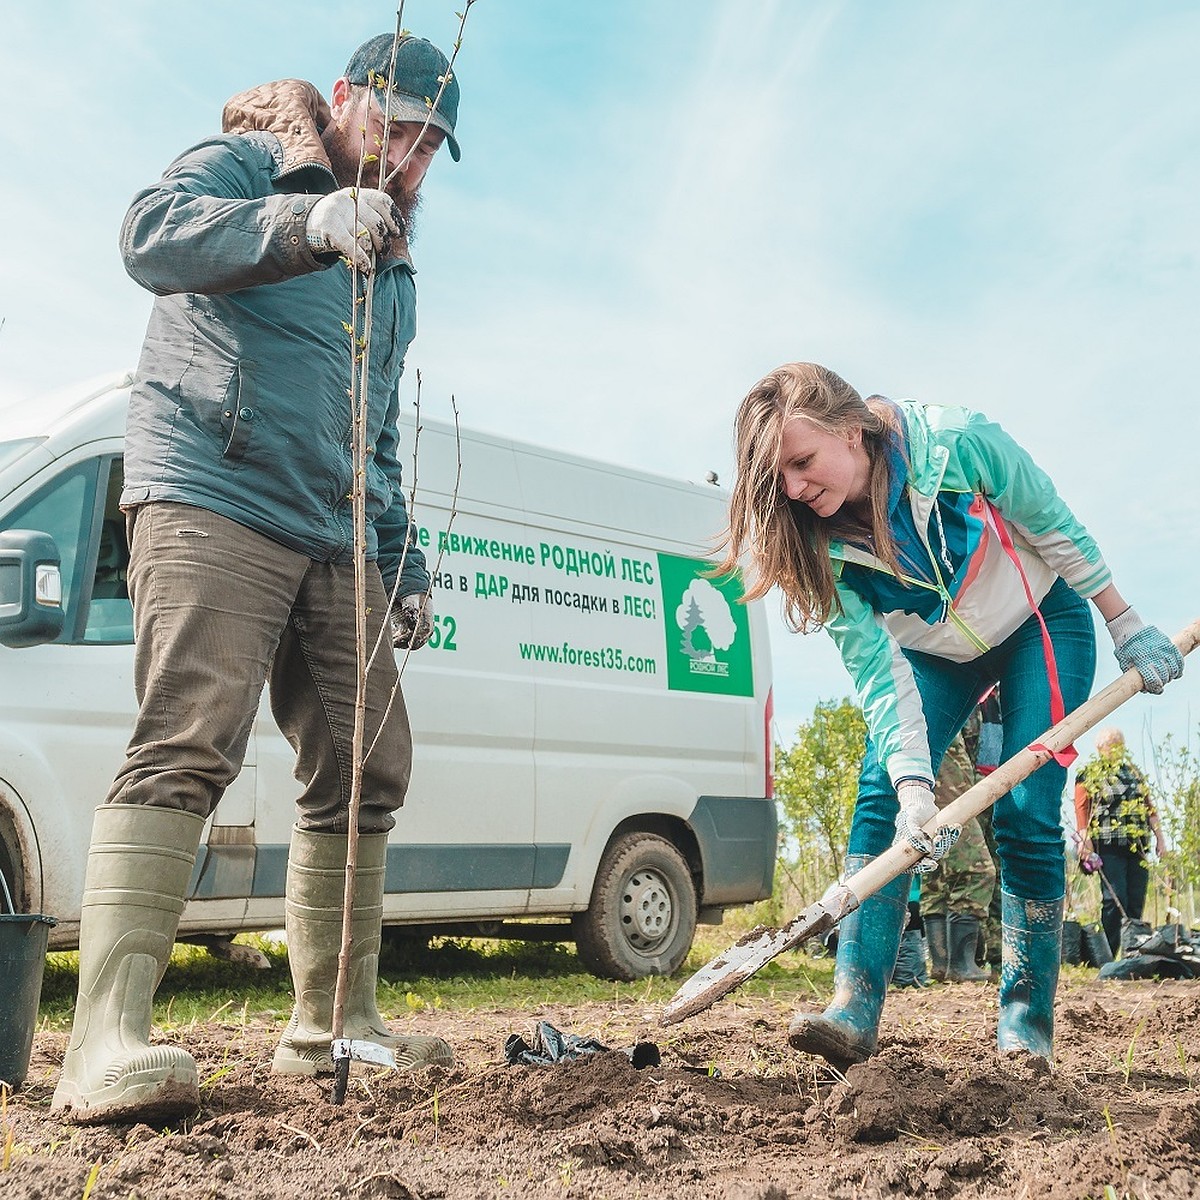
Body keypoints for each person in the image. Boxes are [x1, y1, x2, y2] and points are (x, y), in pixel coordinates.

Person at [51, 33, 463, 1124]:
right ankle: (104, 1039)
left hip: (336, 528)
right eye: (400, 130)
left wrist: (402, 554)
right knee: (192, 735)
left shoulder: (397, 272)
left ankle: (336, 1025)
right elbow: (150, 237)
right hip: (212, 491)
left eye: (431, 149)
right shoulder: (244, 165)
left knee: (370, 759)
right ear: (344, 101)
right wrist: (305, 223)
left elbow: (372, 430)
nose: (411, 164)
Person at [717, 362, 1183, 1069]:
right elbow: (879, 676)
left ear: (853, 431)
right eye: (778, 477)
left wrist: (1124, 621)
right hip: (934, 655)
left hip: (1039, 619)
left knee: (1026, 811)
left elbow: (1050, 523)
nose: (793, 489)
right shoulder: (813, 544)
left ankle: (1025, 1026)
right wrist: (913, 789)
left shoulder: (958, 445)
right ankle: (853, 1005)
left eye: (803, 463)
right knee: (879, 797)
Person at [1074, 728, 1166, 956]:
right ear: (1100, 749)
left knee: (1135, 900)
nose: (1114, 752)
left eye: (1118, 747)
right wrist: (1085, 842)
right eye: (1110, 747)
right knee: (1115, 900)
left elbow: (1149, 809)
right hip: (1108, 847)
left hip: (1138, 848)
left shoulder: (1133, 772)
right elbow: (1082, 810)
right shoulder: (1090, 774)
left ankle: (1131, 953)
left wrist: (1160, 839)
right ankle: (1108, 953)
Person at [922, 712, 997, 983]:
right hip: (948, 787)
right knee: (977, 871)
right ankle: (961, 966)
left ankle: (943, 965)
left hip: (939, 779)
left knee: (938, 874)